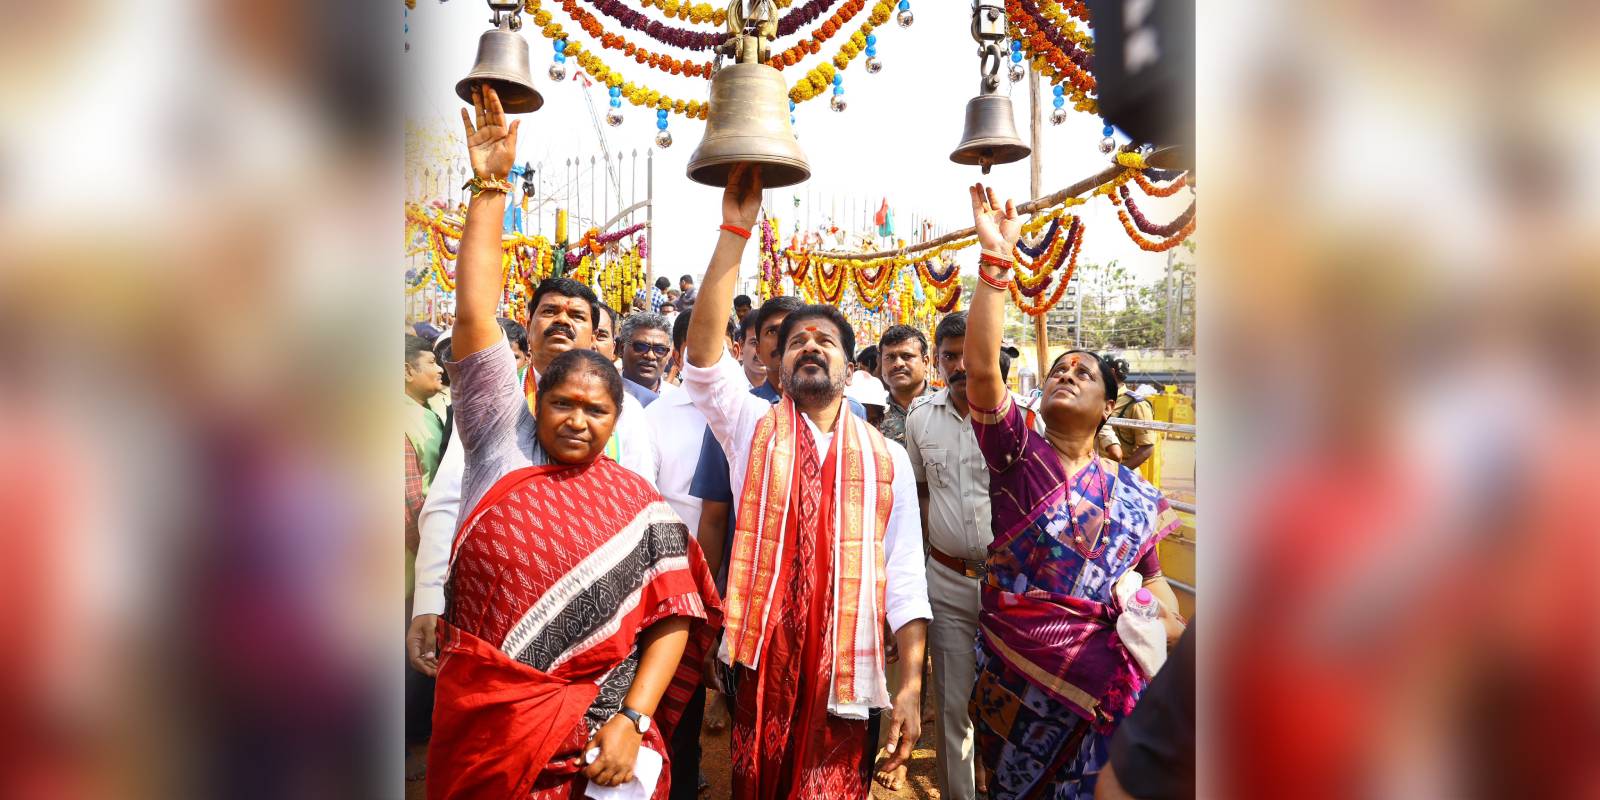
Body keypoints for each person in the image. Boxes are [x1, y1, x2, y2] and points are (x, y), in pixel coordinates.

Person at [683, 165, 931, 799]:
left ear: (850, 369)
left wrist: (909, 685)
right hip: (763, 659)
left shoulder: (887, 458)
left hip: (846, 662)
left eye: (826, 341)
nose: (811, 347)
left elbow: (904, 573)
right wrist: (735, 232)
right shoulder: (750, 427)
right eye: (796, 341)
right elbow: (703, 360)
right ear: (777, 364)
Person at [406, 87, 658, 693]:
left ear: (600, 338)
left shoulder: (630, 416)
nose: (563, 321)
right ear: (528, 323)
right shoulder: (498, 413)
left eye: (578, 315)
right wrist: (491, 188)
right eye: (550, 311)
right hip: (494, 643)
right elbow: (473, 314)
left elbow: (644, 522)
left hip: (598, 648)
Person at [962, 183, 1185, 800]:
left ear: (1108, 406)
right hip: (1015, 678)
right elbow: (981, 371)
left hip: (1101, 686)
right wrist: (996, 260)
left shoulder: (1134, 495)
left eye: (1083, 372)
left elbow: (1156, 583)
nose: (1066, 373)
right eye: (1060, 369)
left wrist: (1160, 624)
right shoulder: (1018, 454)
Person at [427, 349, 723, 799]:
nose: (577, 421)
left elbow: (675, 612)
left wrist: (633, 719)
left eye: (596, 410)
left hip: (599, 738)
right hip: (487, 728)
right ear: (537, 405)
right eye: (562, 403)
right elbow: (475, 329)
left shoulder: (640, 505)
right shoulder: (495, 469)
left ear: (616, 420)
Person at [901, 311, 1041, 800]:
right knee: (953, 704)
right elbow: (919, 494)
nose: (961, 365)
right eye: (950, 356)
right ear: (937, 361)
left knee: (1017, 701)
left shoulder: (1025, 419)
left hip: (1013, 588)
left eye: (969, 353)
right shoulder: (920, 419)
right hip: (947, 579)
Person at [645, 308, 738, 800]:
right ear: (682, 355)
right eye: (701, 347)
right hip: (676, 580)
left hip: (737, 577)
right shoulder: (654, 417)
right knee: (676, 705)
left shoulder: (748, 412)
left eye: (722, 346)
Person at [878, 325, 934, 445]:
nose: (898, 364)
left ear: (925, 362)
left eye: (906, 356)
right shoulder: (874, 413)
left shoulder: (947, 406)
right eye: (890, 357)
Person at [1104, 357, 1158, 473]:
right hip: (1096, 472)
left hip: (1122, 474)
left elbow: (1147, 447)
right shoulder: (1097, 399)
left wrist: (1120, 472)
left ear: (1111, 372)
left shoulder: (1136, 404)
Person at [619, 312, 674, 403]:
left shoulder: (677, 399)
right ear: (621, 349)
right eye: (641, 347)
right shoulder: (604, 393)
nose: (650, 356)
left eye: (660, 349)